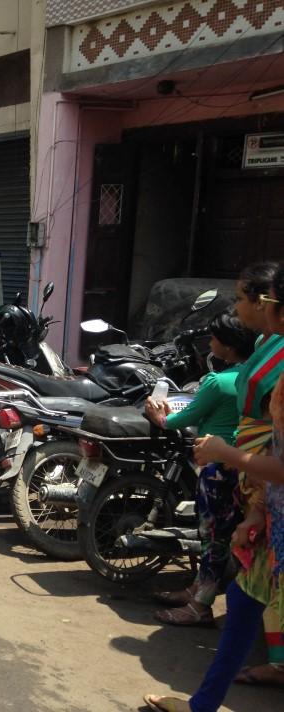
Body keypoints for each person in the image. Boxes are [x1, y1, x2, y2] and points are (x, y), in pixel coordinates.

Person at [144, 262, 284, 712]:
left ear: (271, 306)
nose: (244, 305)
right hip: (271, 505)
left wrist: (229, 455)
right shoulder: (267, 349)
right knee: (244, 598)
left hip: (260, 484)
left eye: (246, 298)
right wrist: (259, 511)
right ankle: (201, 705)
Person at [145, 313, 256, 626]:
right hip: (243, 466)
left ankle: (200, 605)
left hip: (217, 467)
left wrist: (159, 417)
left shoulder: (218, 382)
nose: (210, 343)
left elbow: (180, 420)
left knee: (213, 537)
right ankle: (197, 589)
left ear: (229, 347)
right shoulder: (251, 377)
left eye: (215, 338)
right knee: (219, 535)